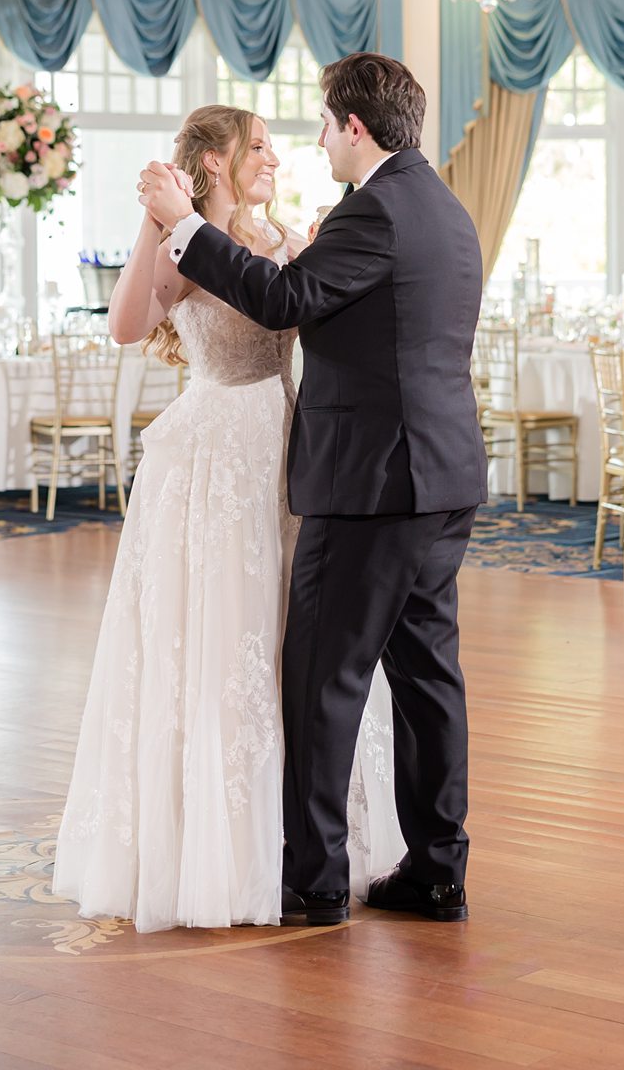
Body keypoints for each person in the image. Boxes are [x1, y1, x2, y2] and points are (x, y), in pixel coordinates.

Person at [139, 53, 484, 926]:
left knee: (324, 676)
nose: (318, 142)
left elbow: (284, 298)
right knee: (427, 676)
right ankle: (437, 871)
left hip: (373, 481)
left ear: (355, 126)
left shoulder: (374, 211)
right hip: (441, 476)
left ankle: (317, 878)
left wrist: (185, 227)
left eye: (326, 126)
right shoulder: (440, 206)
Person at [51, 104, 403, 933]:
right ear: (213, 162)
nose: (275, 157)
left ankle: (309, 839)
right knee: (219, 631)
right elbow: (127, 326)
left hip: (287, 441)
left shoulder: (282, 239)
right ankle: (220, 851)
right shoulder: (182, 242)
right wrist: (155, 221)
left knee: (293, 634)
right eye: (259, 147)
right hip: (212, 455)